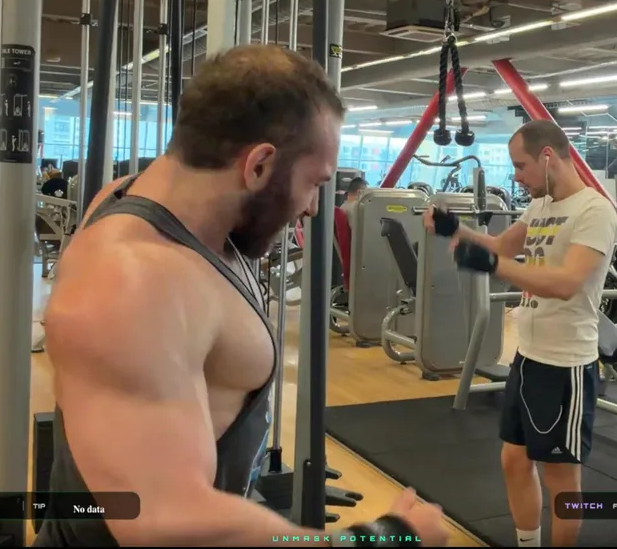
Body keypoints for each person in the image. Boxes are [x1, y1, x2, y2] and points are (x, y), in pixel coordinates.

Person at [35, 44, 449, 547]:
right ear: (258, 166)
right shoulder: (132, 282)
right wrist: (388, 537)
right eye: (314, 183)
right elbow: (165, 523)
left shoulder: (155, 203)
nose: (313, 207)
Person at [422, 120, 617, 548]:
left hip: (565, 365)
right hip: (528, 357)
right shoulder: (540, 206)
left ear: (548, 157)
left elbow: (566, 283)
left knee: (560, 479)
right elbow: (501, 247)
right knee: (513, 460)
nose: (516, 176)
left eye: (521, 166)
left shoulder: (595, 211)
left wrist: (494, 266)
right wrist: (454, 229)